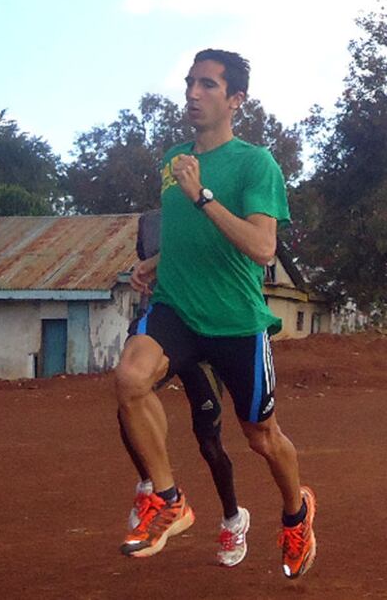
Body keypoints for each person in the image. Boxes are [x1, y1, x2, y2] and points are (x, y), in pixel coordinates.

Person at [115, 48, 316, 579]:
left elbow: (262, 247)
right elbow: (190, 234)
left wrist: (201, 193)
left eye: (207, 85)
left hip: (235, 322)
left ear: (236, 100)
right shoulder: (174, 156)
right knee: (130, 378)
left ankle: (296, 515)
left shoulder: (255, 164)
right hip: (177, 308)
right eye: (189, 83)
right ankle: (169, 498)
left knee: (262, 437)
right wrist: (158, 261)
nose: (193, 94)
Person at [118, 209, 249, 567]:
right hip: (162, 329)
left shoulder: (209, 211)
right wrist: (142, 273)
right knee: (129, 399)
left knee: (209, 440)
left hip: (202, 334)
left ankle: (232, 519)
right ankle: (154, 490)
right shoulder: (149, 221)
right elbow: (149, 264)